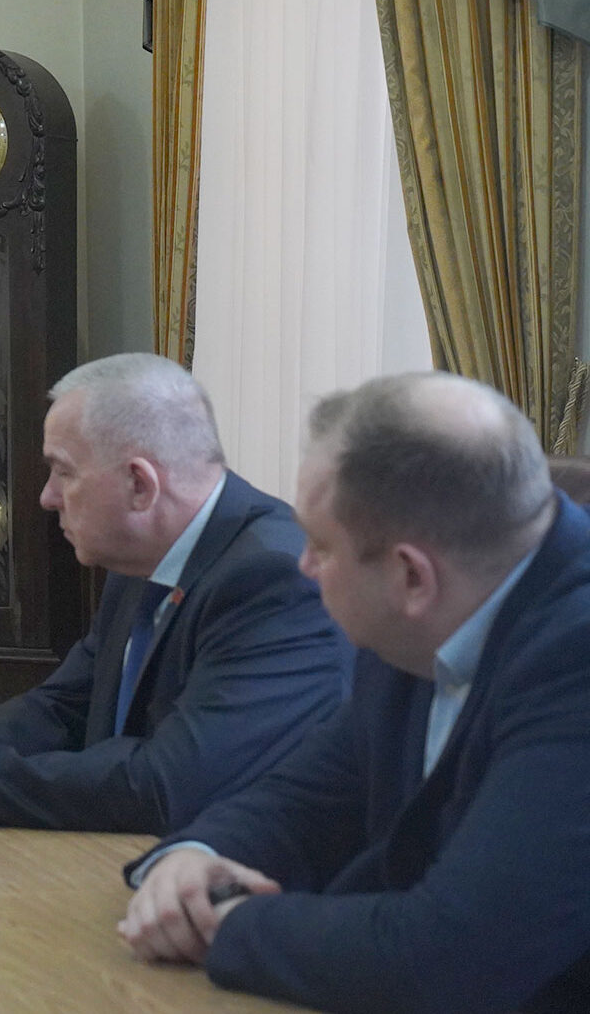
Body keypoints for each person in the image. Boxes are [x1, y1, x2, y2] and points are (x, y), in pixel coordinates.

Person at [120, 372, 590, 1014]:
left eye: (319, 545)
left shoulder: (574, 660)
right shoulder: (433, 612)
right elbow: (311, 798)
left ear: (411, 576)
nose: (303, 566)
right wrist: (195, 860)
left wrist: (225, 923)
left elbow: (449, 961)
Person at [0, 353, 352, 833]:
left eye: (64, 472)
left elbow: (167, 786)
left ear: (140, 485)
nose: (46, 497)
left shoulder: (276, 581)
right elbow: (65, 710)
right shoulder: (138, 557)